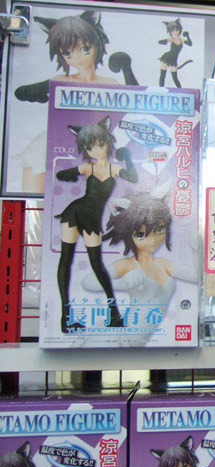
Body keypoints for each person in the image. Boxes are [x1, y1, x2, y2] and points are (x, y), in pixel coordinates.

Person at [14, 10, 137, 193]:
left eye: (85, 49)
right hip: (58, 141)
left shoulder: (109, 83)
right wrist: (38, 91)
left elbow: (136, 101)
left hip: (96, 145)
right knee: (37, 186)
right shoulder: (60, 80)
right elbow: (22, 93)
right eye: (68, 53)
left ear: (96, 45)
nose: (77, 58)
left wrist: (127, 69)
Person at [55, 116, 138, 333]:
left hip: (92, 218)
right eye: (89, 147)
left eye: (100, 145)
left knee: (97, 264)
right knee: (66, 259)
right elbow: (59, 174)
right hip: (75, 212)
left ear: (107, 143)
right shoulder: (87, 168)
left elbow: (133, 177)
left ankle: (114, 314)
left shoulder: (114, 169)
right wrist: (71, 173)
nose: (95, 150)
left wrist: (127, 157)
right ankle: (65, 319)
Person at [81, 185, 198, 324]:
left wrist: (197, 249)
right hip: (125, 331)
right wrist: (121, 284)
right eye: (141, 235)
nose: (152, 239)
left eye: (159, 230)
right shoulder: (127, 264)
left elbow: (196, 277)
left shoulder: (162, 264)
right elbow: (88, 282)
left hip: (146, 334)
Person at [158, 18, 192, 88]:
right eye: (172, 31)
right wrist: (166, 40)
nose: (174, 32)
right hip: (166, 57)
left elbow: (190, 44)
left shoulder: (181, 40)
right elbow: (159, 42)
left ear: (179, 30)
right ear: (170, 32)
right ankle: (161, 89)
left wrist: (188, 36)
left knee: (175, 78)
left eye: (176, 30)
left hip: (173, 60)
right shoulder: (171, 39)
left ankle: (180, 91)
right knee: (162, 75)